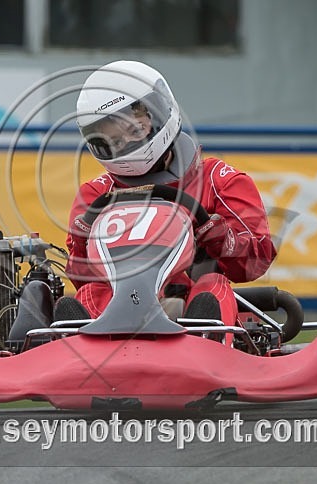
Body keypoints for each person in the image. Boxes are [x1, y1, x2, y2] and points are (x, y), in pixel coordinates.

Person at [55, 60, 277, 327]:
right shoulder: (96, 194)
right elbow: (83, 279)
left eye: (133, 130)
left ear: (156, 113)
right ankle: (79, 346)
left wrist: (222, 239)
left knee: (212, 285)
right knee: (92, 293)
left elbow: (257, 261)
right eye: (113, 140)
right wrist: (81, 245)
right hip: (120, 310)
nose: (126, 143)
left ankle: (206, 340)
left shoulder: (220, 180)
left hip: (188, 305)